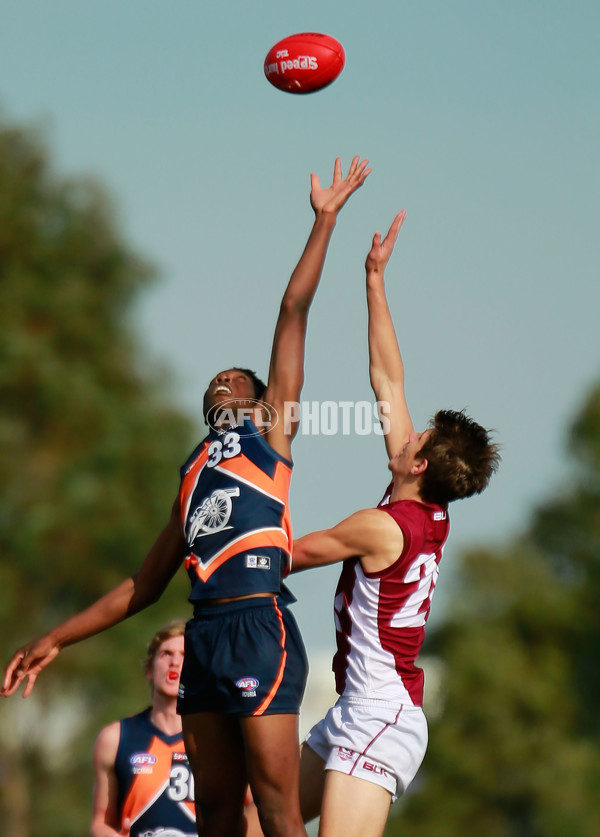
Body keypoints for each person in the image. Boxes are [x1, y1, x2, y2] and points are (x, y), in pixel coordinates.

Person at [1, 156, 371, 837]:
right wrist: (56, 635)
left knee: (279, 808)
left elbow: (293, 308)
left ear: (263, 400)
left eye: (238, 376)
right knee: (219, 816)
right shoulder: (193, 469)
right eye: (217, 377)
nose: (223, 378)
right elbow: (144, 584)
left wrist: (323, 222)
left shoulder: (272, 430)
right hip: (204, 634)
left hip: (260, 626)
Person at [246, 211, 501, 837]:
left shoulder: (380, 526)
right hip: (354, 710)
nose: (408, 428)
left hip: (380, 715)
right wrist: (374, 278)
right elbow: (388, 378)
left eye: (419, 435)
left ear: (418, 461)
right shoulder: (420, 500)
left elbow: (291, 553)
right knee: (255, 824)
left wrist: (224, 534)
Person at [91, 621, 198, 837]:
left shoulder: (220, 740)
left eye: (184, 655)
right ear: (150, 669)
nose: (175, 662)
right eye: (166, 654)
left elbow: (259, 807)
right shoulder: (115, 738)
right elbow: (100, 823)